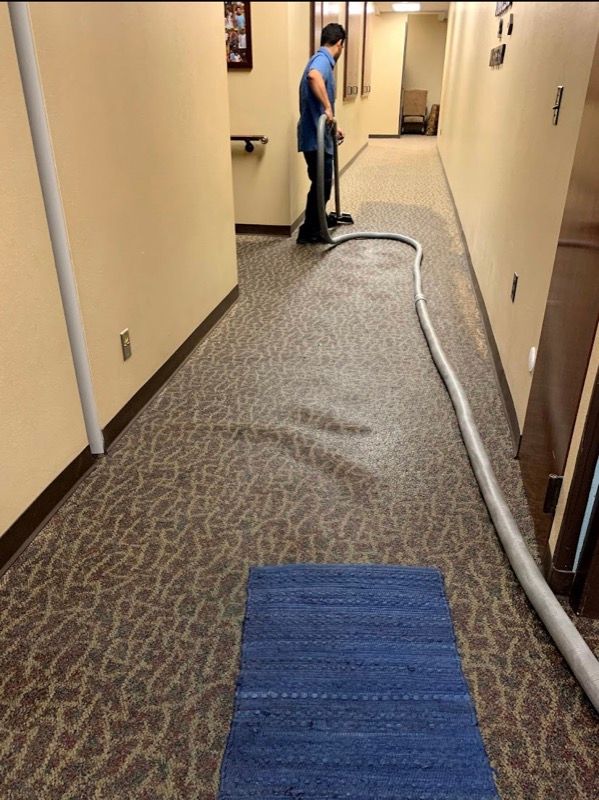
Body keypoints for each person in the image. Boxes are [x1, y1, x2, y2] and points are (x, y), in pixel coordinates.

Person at [296, 23, 345, 244]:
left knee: (320, 182)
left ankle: (319, 220)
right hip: (314, 139)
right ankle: (309, 231)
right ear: (340, 44)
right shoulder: (322, 61)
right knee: (322, 185)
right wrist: (328, 108)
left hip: (318, 136)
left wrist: (333, 125)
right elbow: (314, 77)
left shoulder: (320, 58)